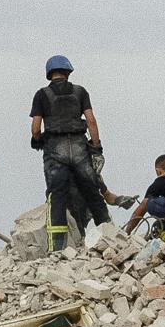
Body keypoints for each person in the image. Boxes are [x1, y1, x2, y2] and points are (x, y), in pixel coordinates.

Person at [29, 55, 109, 252]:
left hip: (55, 149)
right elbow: (91, 120)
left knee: (56, 197)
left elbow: (36, 127)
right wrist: (96, 146)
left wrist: (38, 139)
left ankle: (57, 248)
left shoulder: (42, 95)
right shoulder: (80, 92)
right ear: (68, 72)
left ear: (49, 73)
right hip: (80, 146)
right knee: (92, 193)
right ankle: (110, 238)